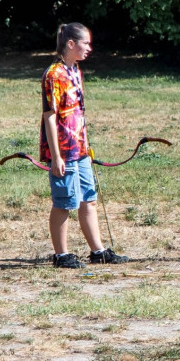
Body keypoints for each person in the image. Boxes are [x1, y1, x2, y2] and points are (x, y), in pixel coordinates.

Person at [41, 23, 129, 269]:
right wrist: (56, 156)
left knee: (88, 198)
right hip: (63, 151)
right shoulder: (53, 75)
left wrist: (87, 147)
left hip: (80, 150)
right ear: (71, 44)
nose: (89, 48)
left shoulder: (75, 71)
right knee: (64, 202)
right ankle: (61, 255)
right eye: (85, 43)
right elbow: (49, 117)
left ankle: (98, 251)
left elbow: (79, 113)